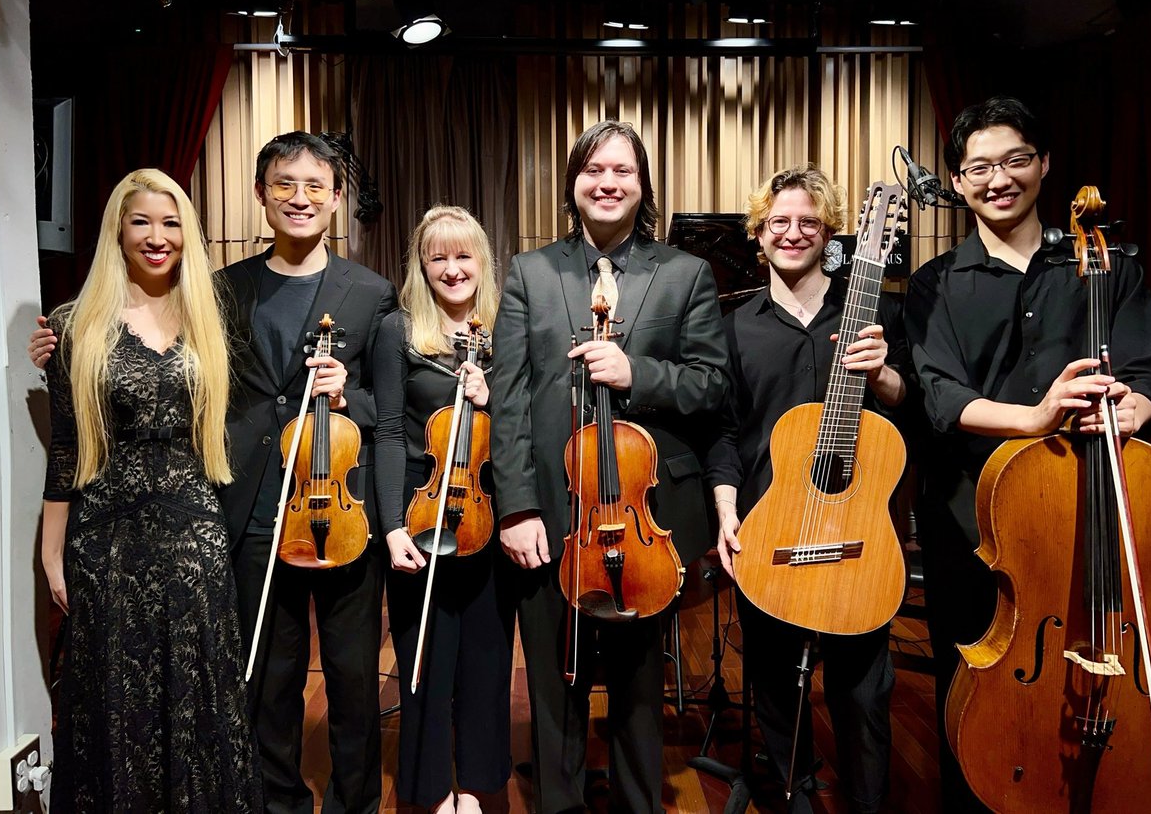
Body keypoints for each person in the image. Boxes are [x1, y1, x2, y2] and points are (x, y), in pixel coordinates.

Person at [31, 132, 396, 814]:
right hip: (245, 507)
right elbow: (107, 394)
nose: (300, 198)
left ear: (338, 197)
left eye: (316, 185)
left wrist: (351, 393)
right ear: (259, 194)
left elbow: (396, 404)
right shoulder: (221, 292)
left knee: (350, 681)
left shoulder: (372, 292)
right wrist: (57, 343)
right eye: (284, 183)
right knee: (265, 682)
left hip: (332, 507)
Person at [903, 96, 1151, 811]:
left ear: (1045, 165)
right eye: (979, 167)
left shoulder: (1107, 266)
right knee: (972, 687)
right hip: (974, 522)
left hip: (1090, 512)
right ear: (958, 183)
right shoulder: (935, 284)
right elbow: (937, 394)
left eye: (1016, 160)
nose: (999, 179)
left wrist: (1128, 412)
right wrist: (1035, 417)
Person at [490, 120, 730, 814]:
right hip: (551, 513)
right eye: (594, 170)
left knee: (636, 689)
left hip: (641, 518)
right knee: (553, 685)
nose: (607, 182)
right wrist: (517, 507)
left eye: (623, 171)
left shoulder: (684, 275)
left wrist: (638, 373)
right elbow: (506, 401)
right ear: (573, 183)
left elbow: (711, 385)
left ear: (643, 186)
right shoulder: (530, 273)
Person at [41, 169, 263, 811]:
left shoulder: (210, 317)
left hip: (195, 539)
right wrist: (51, 551)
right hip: (106, 541)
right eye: (141, 221)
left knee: (199, 697)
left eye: (170, 224)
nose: (156, 237)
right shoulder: (73, 323)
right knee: (113, 698)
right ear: (119, 229)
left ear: (187, 235)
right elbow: (65, 447)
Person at [707, 165, 909, 814]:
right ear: (758, 232)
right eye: (779, 222)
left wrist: (886, 379)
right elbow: (724, 432)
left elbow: (919, 418)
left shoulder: (877, 313)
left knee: (864, 692)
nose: (793, 233)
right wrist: (726, 512)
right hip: (769, 529)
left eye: (809, 223)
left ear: (829, 233)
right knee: (772, 685)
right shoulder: (732, 328)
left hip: (857, 535)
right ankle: (795, 794)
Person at [372, 206, 514, 814]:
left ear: (483, 261)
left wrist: (494, 400)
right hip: (420, 513)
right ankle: (432, 790)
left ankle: (479, 786)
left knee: (486, 660)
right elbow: (383, 430)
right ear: (421, 266)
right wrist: (392, 525)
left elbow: (528, 426)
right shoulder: (397, 332)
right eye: (439, 258)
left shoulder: (507, 330)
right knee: (423, 661)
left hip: (488, 514)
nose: (453, 270)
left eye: (464, 256)